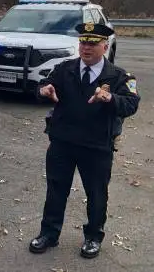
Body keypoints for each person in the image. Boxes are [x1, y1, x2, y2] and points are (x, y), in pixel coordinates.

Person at [29, 22, 140, 259]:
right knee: (56, 190)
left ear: (105, 45)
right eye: (83, 42)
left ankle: (93, 237)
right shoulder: (64, 68)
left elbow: (131, 104)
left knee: (97, 194)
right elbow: (40, 87)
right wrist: (43, 91)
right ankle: (49, 233)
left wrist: (110, 98)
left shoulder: (118, 76)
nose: (86, 48)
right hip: (63, 142)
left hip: (97, 145)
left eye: (92, 43)